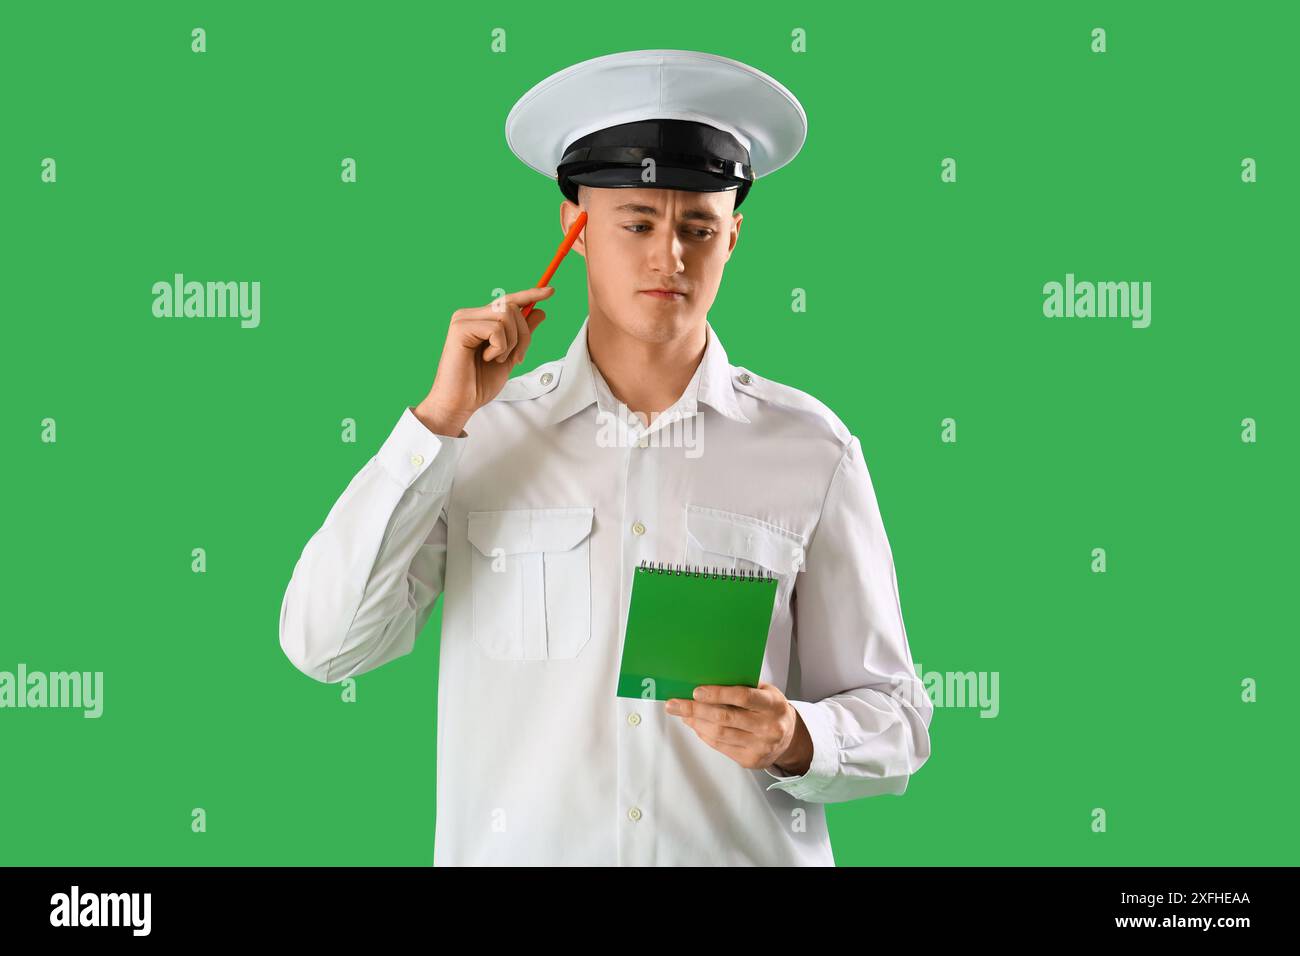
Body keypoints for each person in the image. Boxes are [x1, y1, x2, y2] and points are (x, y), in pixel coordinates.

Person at [279, 49, 932, 866]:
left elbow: (897, 719)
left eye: (699, 226)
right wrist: (437, 422)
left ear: (734, 233)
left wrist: (801, 736)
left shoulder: (812, 447)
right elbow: (325, 644)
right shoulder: (478, 432)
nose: (672, 258)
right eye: (636, 223)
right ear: (575, 228)